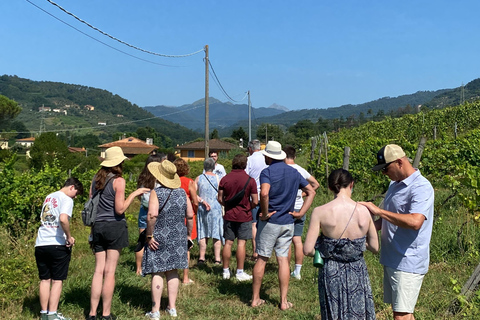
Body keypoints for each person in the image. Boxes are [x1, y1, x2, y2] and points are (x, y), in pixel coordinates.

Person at [360, 144, 434, 320]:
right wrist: (360, 231)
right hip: (392, 258)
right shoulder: (394, 185)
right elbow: (386, 221)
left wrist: (378, 211)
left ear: (400, 162)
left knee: (400, 315)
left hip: (408, 260)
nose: (384, 174)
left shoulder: (420, 187)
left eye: (386, 169)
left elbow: (415, 221)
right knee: (404, 313)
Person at [304, 169, 379, 320]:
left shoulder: (320, 211)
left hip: (331, 270)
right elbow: (375, 247)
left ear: (330, 187)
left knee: (334, 311)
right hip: (357, 269)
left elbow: (307, 250)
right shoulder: (364, 211)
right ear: (352, 184)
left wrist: (323, 250)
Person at [251, 141, 315, 310]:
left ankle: (256, 298)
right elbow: (312, 191)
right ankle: (284, 301)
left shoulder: (267, 172)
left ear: (269, 157)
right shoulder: (294, 172)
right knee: (283, 260)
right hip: (288, 222)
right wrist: (300, 212)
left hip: (270, 222)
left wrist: (264, 213)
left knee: (262, 258)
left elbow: (264, 193)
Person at [87, 147, 149, 320]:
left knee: (98, 271)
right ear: (119, 163)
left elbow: (92, 202)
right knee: (110, 272)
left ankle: (92, 313)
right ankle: (106, 314)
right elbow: (120, 209)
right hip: (114, 227)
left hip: (97, 226)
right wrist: (135, 194)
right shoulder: (119, 181)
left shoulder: (95, 179)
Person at [143, 160, 194, 319]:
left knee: (157, 271)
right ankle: (172, 308)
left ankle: (155, 311)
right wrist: (188, 235)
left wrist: (149, 235)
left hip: (159, 236)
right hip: (178, 236)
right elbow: (190, 215)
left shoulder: (156, 193)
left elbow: (152, 215)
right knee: (173, 271)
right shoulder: (181, 193)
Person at [35, 178, 84, 320]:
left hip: (41, 243)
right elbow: (63, 219)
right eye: (76, 193)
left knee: (45, 279)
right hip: (57, 243)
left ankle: (44, 313)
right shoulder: (67, 199)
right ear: (72, 187)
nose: (75, 197)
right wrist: (69, 236)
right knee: (57, 280)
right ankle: (52, 314)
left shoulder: (49, 197)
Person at [217, 154, 258, 281]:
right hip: (244, 215)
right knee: (241, 243)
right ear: (245, 165)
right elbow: (255, 201)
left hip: (229, 214)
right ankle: (240, 272)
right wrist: (247, 207)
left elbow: (219, 198)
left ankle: (225, 271)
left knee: (228, 243)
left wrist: (227, 205)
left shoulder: (224, 179)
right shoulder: (250, 180)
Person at [283, 145, 319, 280]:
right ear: (294, 156)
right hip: (300, 207)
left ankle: (285, 268)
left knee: (286, 240)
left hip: (288, 208)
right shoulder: (300, 170)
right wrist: (302, 194)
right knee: (297, 239)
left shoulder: (284, 170)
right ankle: (297, 271)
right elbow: (316, 184)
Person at [135, 153, 165, 275]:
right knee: (155, 238)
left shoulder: (142, 177)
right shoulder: (160, 178)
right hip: (156, 211)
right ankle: (155, 265)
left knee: (142, 240)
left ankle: (139, 269)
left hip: (144, 209)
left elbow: (139, 195)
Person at [173, 157, 199, 285]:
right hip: (186, 216)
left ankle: (172, 275)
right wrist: (195, 211)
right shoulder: (189, 182)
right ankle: (185, 277)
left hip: (173, 216)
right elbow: (195, 200)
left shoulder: (171, 182)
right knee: (186, 247)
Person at [195, 157, 224, 264]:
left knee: (203, 231)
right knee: (216, 233)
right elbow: (222, 194)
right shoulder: (218, 179)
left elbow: (193, 194)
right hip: (215, 209)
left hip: (203, 208)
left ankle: (201, 257)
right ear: (213, 167)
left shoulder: (199, 178)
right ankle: (217, 258)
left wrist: (202, 201)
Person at [245, 139, 268, 261]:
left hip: (253, 196)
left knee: (254, 224)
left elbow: (246, 177)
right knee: (264, 223)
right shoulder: (266, 158)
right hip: (266, 194)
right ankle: (264, 251)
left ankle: (255, 252)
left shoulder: (249, 160)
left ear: (250, 149)